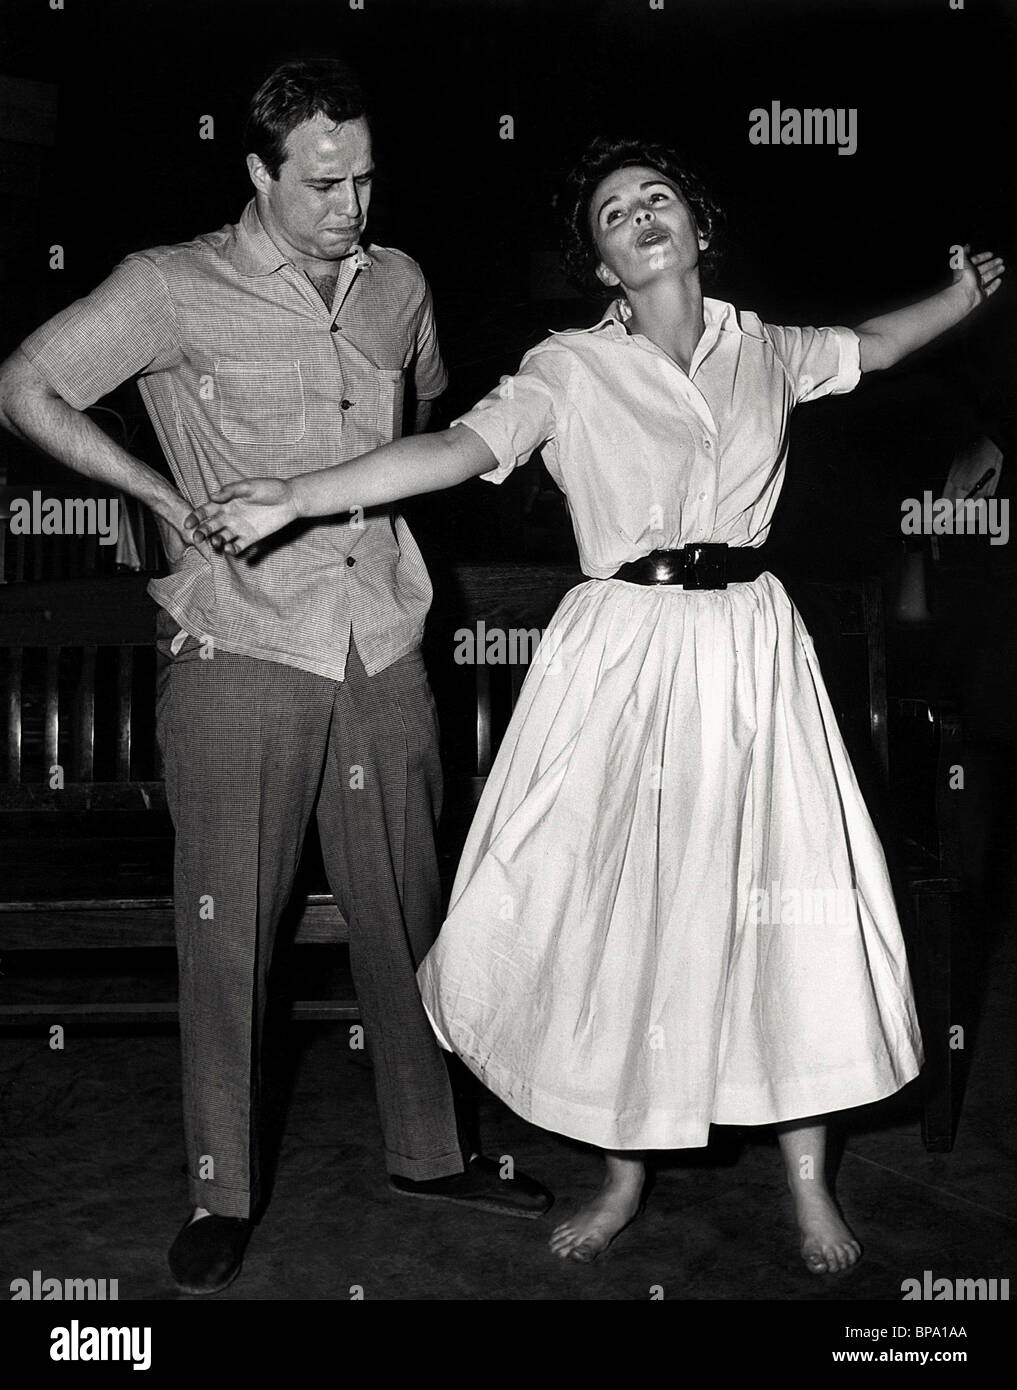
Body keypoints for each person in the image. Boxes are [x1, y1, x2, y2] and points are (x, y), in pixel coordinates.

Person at [187, 136, 1004, 1274]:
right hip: (625, 656)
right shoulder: (567, 368)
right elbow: (454, 445)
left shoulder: (765, 348)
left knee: (789, 901)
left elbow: (871, 345)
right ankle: (625, 1173)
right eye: (615, 215)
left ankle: (809, 1177)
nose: (641, 216)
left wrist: (963, 294)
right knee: (629, 913)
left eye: (659, 197)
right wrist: (299, 496)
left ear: (699, 229)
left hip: (754, 656)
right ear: (604, 265)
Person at [0, 57, 551, 1298]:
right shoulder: (168, 286)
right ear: (257, 173)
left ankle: (430, 1149)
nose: (351, 201)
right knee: (229, 929)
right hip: (240, 645)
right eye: (321, 182)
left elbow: (434, 424)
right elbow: (22, 383)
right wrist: (155, 491)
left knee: (407, 908)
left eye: (364, 176)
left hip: (386, 643)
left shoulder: (398, 282)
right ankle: (221, 1189)